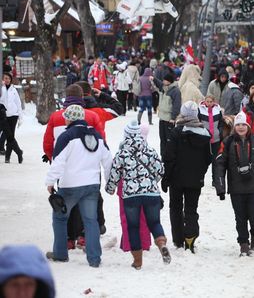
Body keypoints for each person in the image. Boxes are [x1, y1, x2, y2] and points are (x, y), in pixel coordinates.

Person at [44, 104, 112, 267]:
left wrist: (50, 181)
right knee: (90, 220)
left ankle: (60, 254)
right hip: (92, 185)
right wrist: (109, 182)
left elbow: (58, 161)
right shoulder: (97, 136)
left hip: (70, 186)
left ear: (69, 119)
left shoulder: (66, 136)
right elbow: (108, 160)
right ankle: (94, 258)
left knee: (60, 217)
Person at [105, 121, 171, 270]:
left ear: (126, 135)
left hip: (131, 196)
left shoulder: (122, 153)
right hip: (151, 194)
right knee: (154, 223)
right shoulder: (150, 150)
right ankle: (161, 245)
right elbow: (161, 170)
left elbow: (115, 174)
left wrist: (110, 189)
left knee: (133, 227)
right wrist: (151, 183)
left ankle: (138, 261)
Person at [214, 111, 254, 256]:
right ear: (234, 127)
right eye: (238, 125)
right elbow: (219, 165)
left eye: (244, 124)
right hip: (236, 188)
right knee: (240, 218)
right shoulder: (227, 142)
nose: (241, 127)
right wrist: (220, 186)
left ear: (248, 126)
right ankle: (243, 244)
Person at [161, 101, 211, 253]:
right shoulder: (204, 133)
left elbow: (169, 156)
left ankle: (178, 240)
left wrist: (166, 177)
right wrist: (200, 172)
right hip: (195, 179)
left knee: (175, 208)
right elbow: (208, 158)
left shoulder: (176, 132)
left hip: (177, 178)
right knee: (191, 208)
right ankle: (190, 237)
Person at [154, 73, 182, 153]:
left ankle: (169, 156)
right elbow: (158, 83)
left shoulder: (175, 91)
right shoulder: (164, 88)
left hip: (169, 119)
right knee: (162, 139)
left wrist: (173, 118)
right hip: (162, 118)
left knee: (169, 139)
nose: (163, 81)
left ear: (169, 81)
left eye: (164, 80)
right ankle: (163, 156)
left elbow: (177, 105)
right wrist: (153, 79)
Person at [0, 73, 23, 163]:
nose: (7, 80)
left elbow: (18, 103)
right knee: (9, 136)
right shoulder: (1, 89)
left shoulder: (13, 90)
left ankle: (7, 157)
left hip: (13, 115)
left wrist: (20, 117)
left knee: (10, 136)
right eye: (5, 78)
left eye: (8, 78)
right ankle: (19, 152)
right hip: (3, 116)